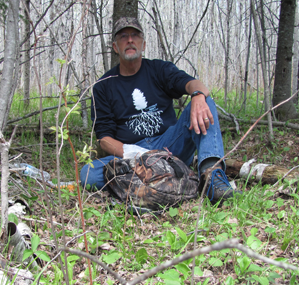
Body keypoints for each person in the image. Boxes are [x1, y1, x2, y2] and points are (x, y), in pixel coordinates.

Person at [80, 17, 241, 203]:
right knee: (89, 174)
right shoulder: (103, 86)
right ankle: (167, 180)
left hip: (170, 147)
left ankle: (212, 178)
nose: (130, 40)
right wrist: (138, 154)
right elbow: (104, 139)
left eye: (135, 35)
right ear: (116, 47)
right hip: (132, 158)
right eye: (123, 36)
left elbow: (193, 84)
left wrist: (198, 95)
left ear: (143, 44)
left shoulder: (159, 69)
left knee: (205, 101)